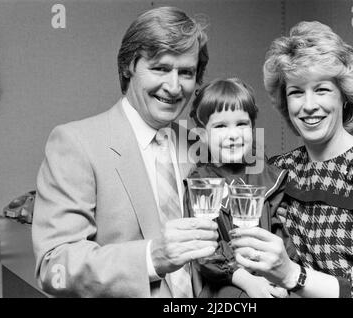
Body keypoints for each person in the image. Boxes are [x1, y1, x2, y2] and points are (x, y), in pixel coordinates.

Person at [229, 21, 353, 298]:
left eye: (322, 89)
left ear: (344, 97)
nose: (309, 105)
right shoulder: (280, 170)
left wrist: (293, 275)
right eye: (296, 92)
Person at [32, 6, 219, 298]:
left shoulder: (200, 147)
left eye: (186, 73)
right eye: (160, 68)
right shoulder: (75, 143)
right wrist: (150, 257)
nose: (173, 86)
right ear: (128, 66)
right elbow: (54, 267)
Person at [185, 78, 292, 298]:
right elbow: (204, 250)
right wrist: (248, 281)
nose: (233, 135)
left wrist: (283, 276)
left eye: (241, 124)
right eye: (220, 126)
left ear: (252, 128)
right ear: (203, 135)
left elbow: (282, 235)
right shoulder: (202, 182)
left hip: (272, 275)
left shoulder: (266, 175)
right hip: (227, 282)